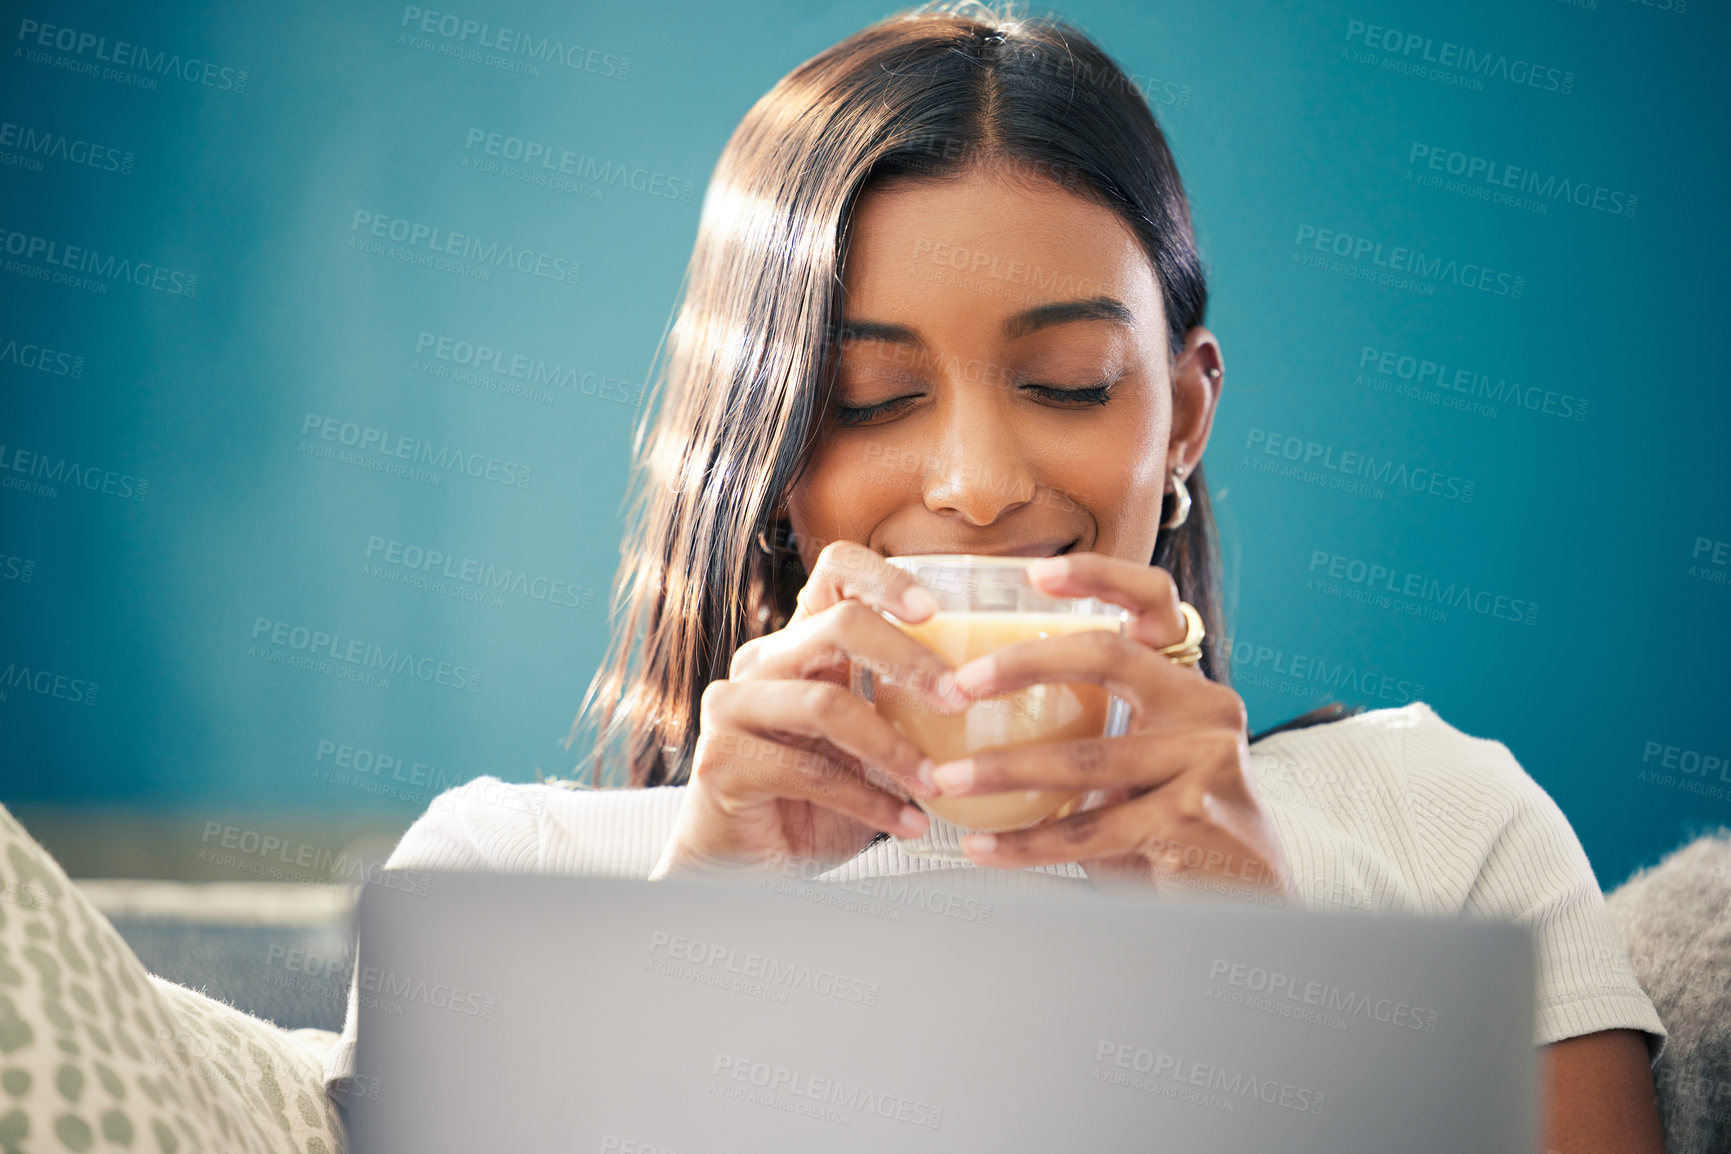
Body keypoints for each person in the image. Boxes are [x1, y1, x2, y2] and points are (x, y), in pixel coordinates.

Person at [318, 5, 1669, 1150]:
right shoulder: (503, 878)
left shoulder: (1444, 826)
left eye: (1065, 381)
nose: (975, 479)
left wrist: (1264, 977)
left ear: (1185, 416)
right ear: (767, 445)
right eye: (871, 395)